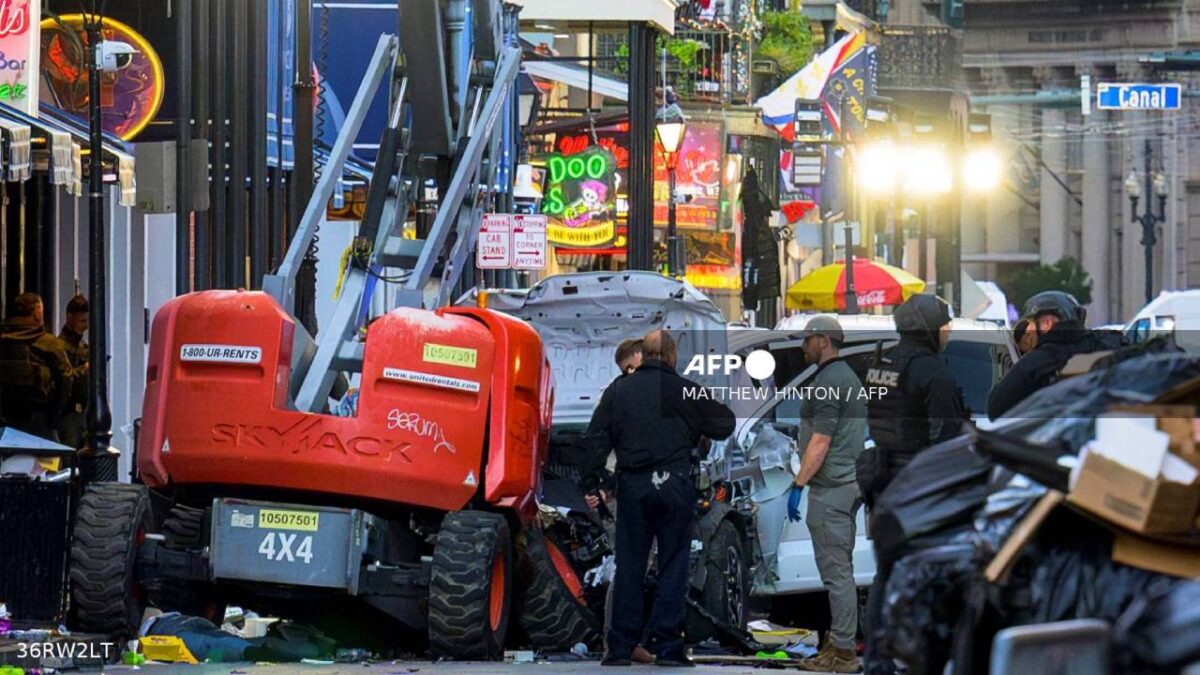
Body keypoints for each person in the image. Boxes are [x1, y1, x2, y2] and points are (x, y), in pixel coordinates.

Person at [584, 329, 735, 667]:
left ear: (645, 354)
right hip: (674, 485)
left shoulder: (618, 390)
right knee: (673, 566)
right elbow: (724, 424)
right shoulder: (685, 390)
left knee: (630, 567)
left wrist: (595, 482)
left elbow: (594, 439)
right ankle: (668, 647)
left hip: (633, 487)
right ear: (672, 356)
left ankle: (620, 647)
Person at [860, 294, 967, 675]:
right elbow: (948, 437)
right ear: (927, 329)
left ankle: (877, 658)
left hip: (883, 480)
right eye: (943, 325)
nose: (947, 332)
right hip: (920, 486)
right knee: (931, 574)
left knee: (886, 572)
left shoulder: (881, 363)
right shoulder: (931, 372)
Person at [786, 316, 866, 674]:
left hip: (832, 488)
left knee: (836, 573)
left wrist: (798, 483)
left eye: (807, 340)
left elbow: (821, 441)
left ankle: (844, 653)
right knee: (840, 570)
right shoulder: (845, 377)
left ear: (823, 340)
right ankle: (838, 643)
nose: (803, 346)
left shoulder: (830, 381)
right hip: (844, 485)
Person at [986, 291, 1125, 420]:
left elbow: (996, 407)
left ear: (1046, 323)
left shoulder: (1036, 362)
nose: (1029, 330)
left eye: (1031, 323)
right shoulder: (1109, 343)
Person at [0, 293, 84, 439]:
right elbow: (66, 379)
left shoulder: (4, 341)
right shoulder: (48, 343)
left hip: (4, 419)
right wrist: (55, 413)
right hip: (39, 421)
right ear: (37, 312)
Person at [57, 295, 90, 448]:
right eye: (82, 321)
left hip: (83, 412)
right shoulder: (58, 347)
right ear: (70, 318)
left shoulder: (84, 347)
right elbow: (64, 377)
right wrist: (85, 370)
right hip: (67, 412)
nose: (85, 326)